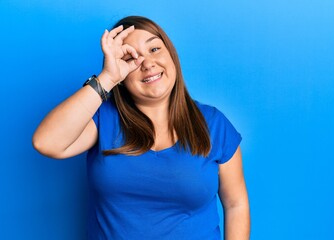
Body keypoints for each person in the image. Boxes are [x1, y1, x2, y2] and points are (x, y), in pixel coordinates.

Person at [32, 16, 250, 240]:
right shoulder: (102, 118)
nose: (147, 63)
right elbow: (47, 143)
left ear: (171, 55)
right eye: (131, 57)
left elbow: (235, 204)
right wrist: (107, 78)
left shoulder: (213, 124)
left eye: (154, 49)